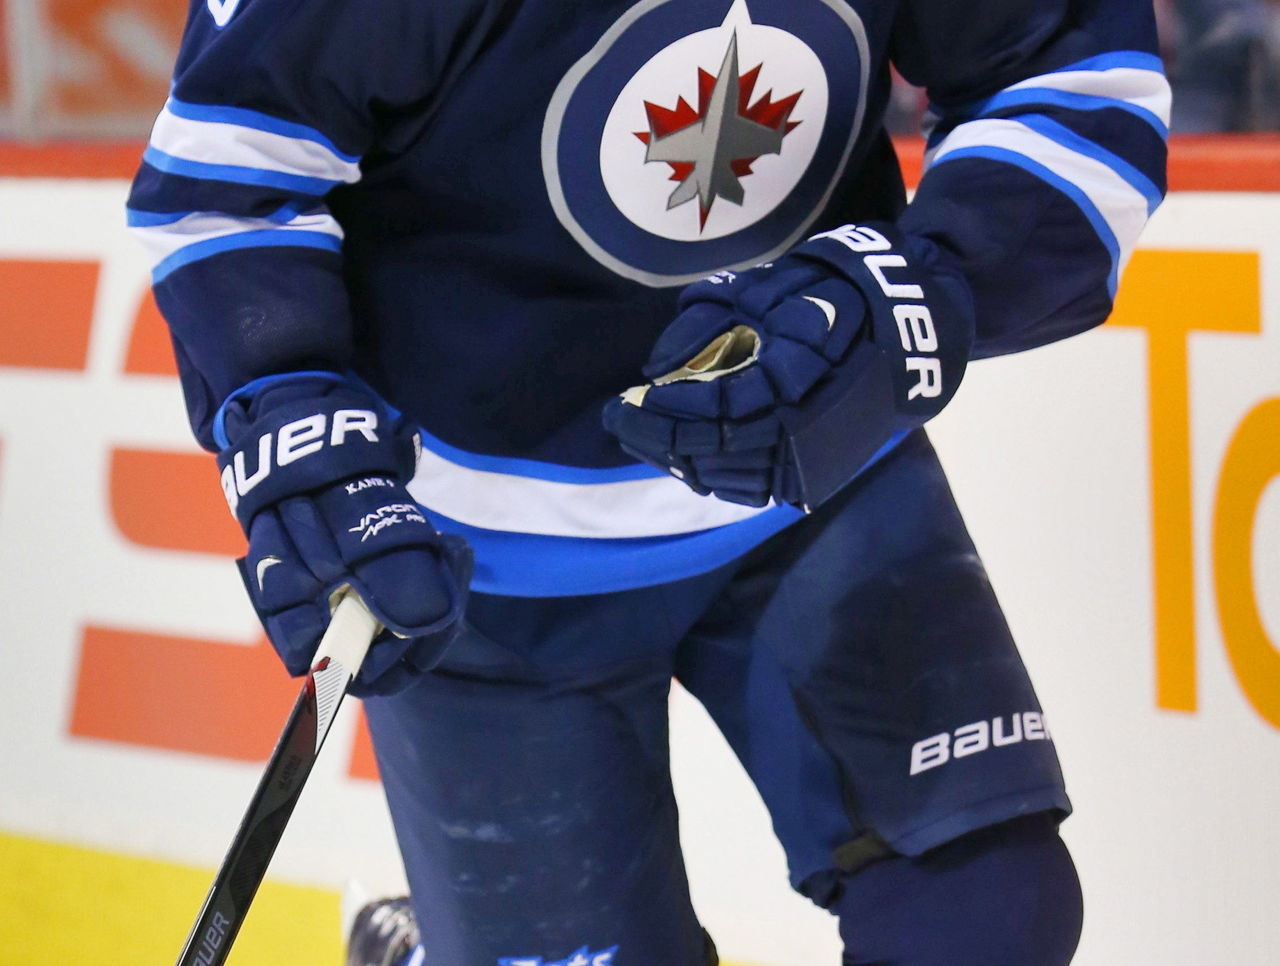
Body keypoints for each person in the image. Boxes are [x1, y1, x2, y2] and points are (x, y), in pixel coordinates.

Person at [127, 0, 1169, 963]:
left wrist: (921, 283)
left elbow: (1067, 77)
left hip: (811, 468)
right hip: (483, 562)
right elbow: (233, 171)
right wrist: (288, 405)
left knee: (983, 915)